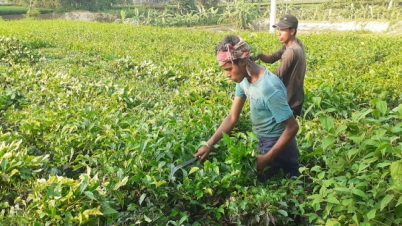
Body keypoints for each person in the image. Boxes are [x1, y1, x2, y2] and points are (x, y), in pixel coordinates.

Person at [194, 35, 300, 181]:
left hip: (279, 144)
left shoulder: (268, 87)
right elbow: (232, 117)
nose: (227, 75)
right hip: (261, 139)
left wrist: (268, 157)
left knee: (283, 189)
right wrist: (209, 144)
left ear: (243, 62)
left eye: (230, 69)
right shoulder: (243, 80)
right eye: (225, 70)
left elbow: (292, 127)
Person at [254, 14, 306, 117]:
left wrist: (255, 78)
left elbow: (276, 77)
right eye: (278, 30)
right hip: (296, 99)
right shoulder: (295, 44)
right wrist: (259, 55)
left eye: (282, 30)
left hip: (289, 104)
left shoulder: (291, 51)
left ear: (292, 31)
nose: (278, 33)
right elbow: (273, 57)